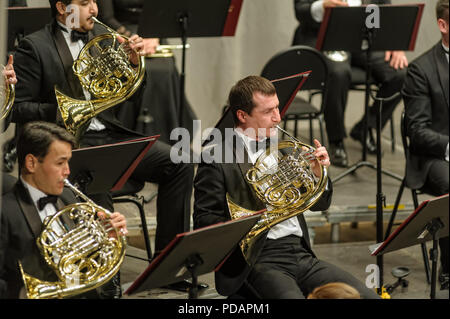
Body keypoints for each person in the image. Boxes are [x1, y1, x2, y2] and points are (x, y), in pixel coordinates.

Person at [11, 0, 195, 289]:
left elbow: (131, 95)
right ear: (62, 7)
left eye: (95, 1)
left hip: (109, 135)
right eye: (85, 3)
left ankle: (168, 268)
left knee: (180, 163)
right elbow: (17, 109)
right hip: (69, 146)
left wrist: (134, 65)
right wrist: (60, 111)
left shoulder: (101, 37)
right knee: (98, 184)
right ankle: (106, 285)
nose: (95, 9)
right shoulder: (35, 46)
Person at [194, 75, 379, 299]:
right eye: (267, 112)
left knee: (366, 297)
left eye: (278, 108)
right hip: (259, 260)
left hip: (301, 255)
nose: (278, 117)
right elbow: (205, 221)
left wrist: (318, 174)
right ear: (242, 115)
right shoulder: (216, 158)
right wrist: (257, 212)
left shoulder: (287, 148)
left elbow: (321, 204)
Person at [0, 121, 128, 299]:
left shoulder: (68, 198)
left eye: (68, 162)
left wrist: (107, 237)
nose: (68, 171)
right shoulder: (5, 212)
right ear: (31, 163)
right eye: (60, 163)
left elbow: (82, 262)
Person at [293, 0, 408, 167]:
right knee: (338, 73)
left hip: (364, 41)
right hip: (322, 39)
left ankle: (365, 128)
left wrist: (393, 43)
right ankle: (336, 140)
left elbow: (385, 10)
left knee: (401, 74)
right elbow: (300, 9)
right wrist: (322, 6)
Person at [97, 0, 197, 145]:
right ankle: (128, 135)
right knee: (140, 71)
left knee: (165, 70)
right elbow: (106, 18)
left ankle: (168, 140)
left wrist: (154, 35)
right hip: (119, 34)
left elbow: (164, 11)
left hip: (153, 33)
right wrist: (134, 40)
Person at [402, 0, 449, 291]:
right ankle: (449, 270)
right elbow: (417, 131)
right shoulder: (421, 69)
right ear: (443, 25)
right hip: (435, 157)